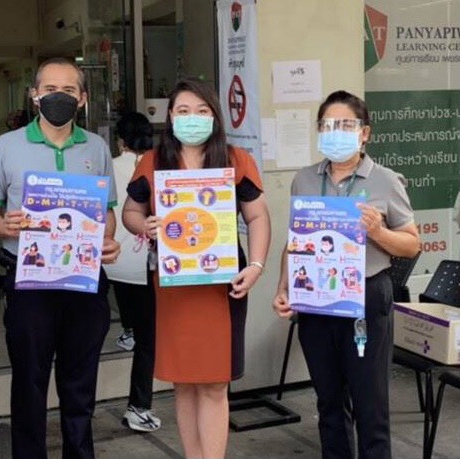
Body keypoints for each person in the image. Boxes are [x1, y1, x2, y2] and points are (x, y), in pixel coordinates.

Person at [0, 57, 121, 458]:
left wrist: (107, 239)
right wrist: (5, 226)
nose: (60, 97)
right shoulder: (5, 147)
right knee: (29, 380)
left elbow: (107, 211)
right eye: (50, 89)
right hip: (29, 281)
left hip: (84, 279)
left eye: (69, 90)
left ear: (83, 98)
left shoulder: (96, 147)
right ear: (34, 95)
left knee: (81, 382)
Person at [122, 78, 271, 459]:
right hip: (173, 282)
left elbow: (257, 216)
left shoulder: (237, 160)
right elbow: (131, 211)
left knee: (215, 383)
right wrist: (144, 225)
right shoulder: (152, 162)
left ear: (215, 117)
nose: (193, 118)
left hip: (223, 283)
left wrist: (256, 265)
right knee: (184, 381)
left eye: (202, 111)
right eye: (184, 111)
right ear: (171, 117)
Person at [272, 90, 420, 459]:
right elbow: (295, 242)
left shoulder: (385, 180)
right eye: (327, 125)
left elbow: (411, 244)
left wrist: (379, 232)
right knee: (328, 402)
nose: (334, 132)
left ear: (364, 133)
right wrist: (284, 287)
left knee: (370, 402)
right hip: (316, 299)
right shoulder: (304, 179)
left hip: (366, 297)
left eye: (345, 125)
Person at [102, 111, 161, 432]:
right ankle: (139, 407)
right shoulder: (158, 168)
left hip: (112, 262)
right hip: (145, 265)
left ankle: (128, 331)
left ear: (120, 140)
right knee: (148, 341)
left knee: (127, 312)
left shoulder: (108, 166)